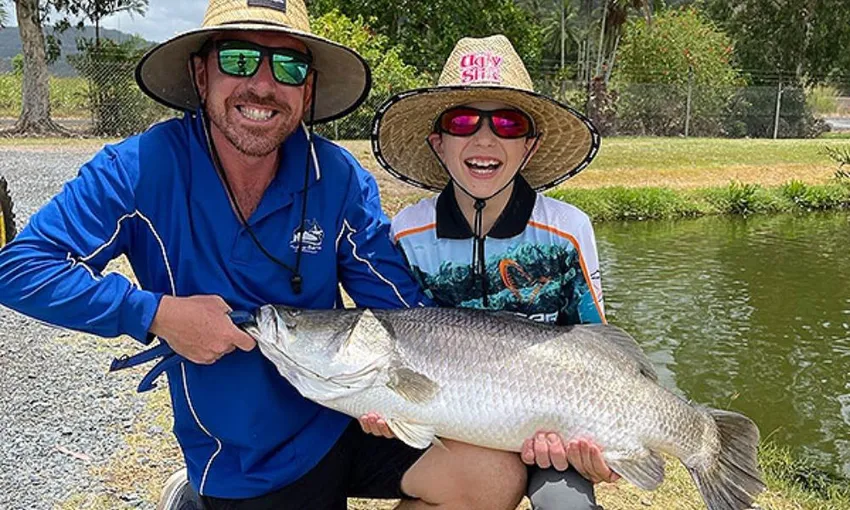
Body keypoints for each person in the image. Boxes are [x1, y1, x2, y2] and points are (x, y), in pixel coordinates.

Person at [0, 3, 529, 509]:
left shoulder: (336, 177)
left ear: (309, 89)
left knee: (491, 476)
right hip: (247, 454)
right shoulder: (137, 170)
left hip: (343, 410)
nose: (263, 83)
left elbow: (403, 309)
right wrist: (157, 314)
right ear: (202, 74)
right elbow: (21, 268)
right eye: (237, 58)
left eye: (289, 65)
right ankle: (192, 497)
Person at [367, 35, 620, 510]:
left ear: (529, 145)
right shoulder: (405, 233)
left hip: (549, 427)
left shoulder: (568, 230)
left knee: (568, 506)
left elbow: (597, 349)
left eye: (507, 122)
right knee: (477, 483)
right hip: (453, 424)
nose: (484, 138)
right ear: (439, 143)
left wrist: (594, 451)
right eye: (463, 121)